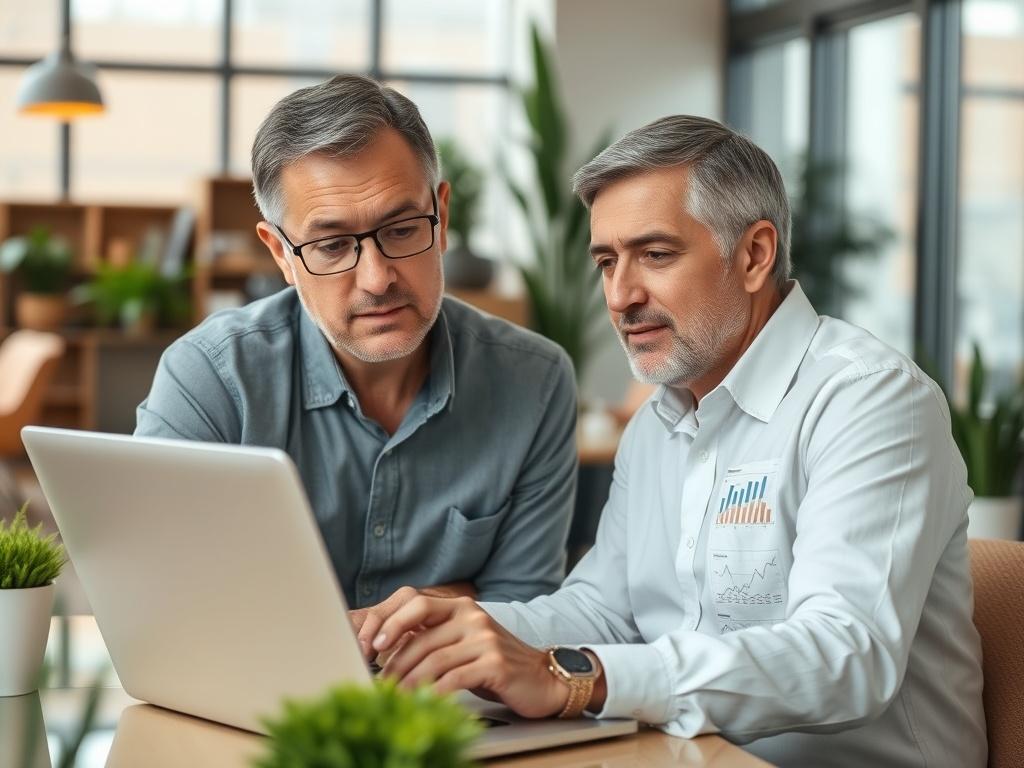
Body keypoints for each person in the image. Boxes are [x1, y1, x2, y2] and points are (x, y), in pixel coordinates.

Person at [364, 115, 987, 767]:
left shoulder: (869, 399)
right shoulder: (659, 424)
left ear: (754, 255)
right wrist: (448, 637)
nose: (621, 295)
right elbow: (604, 613)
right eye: (607, 261)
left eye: (655, 255)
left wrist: (577, 677)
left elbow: (844, 656)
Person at [135, 75, 577, 619]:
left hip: (450, 705)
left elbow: (521, 619)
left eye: (401, 229)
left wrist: (297, 619)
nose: (376, 278)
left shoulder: (534, 381)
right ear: (280, 254)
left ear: (442, 217)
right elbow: (167, 605)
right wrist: (454, 599)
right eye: (331, 244)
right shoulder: (208, 378)